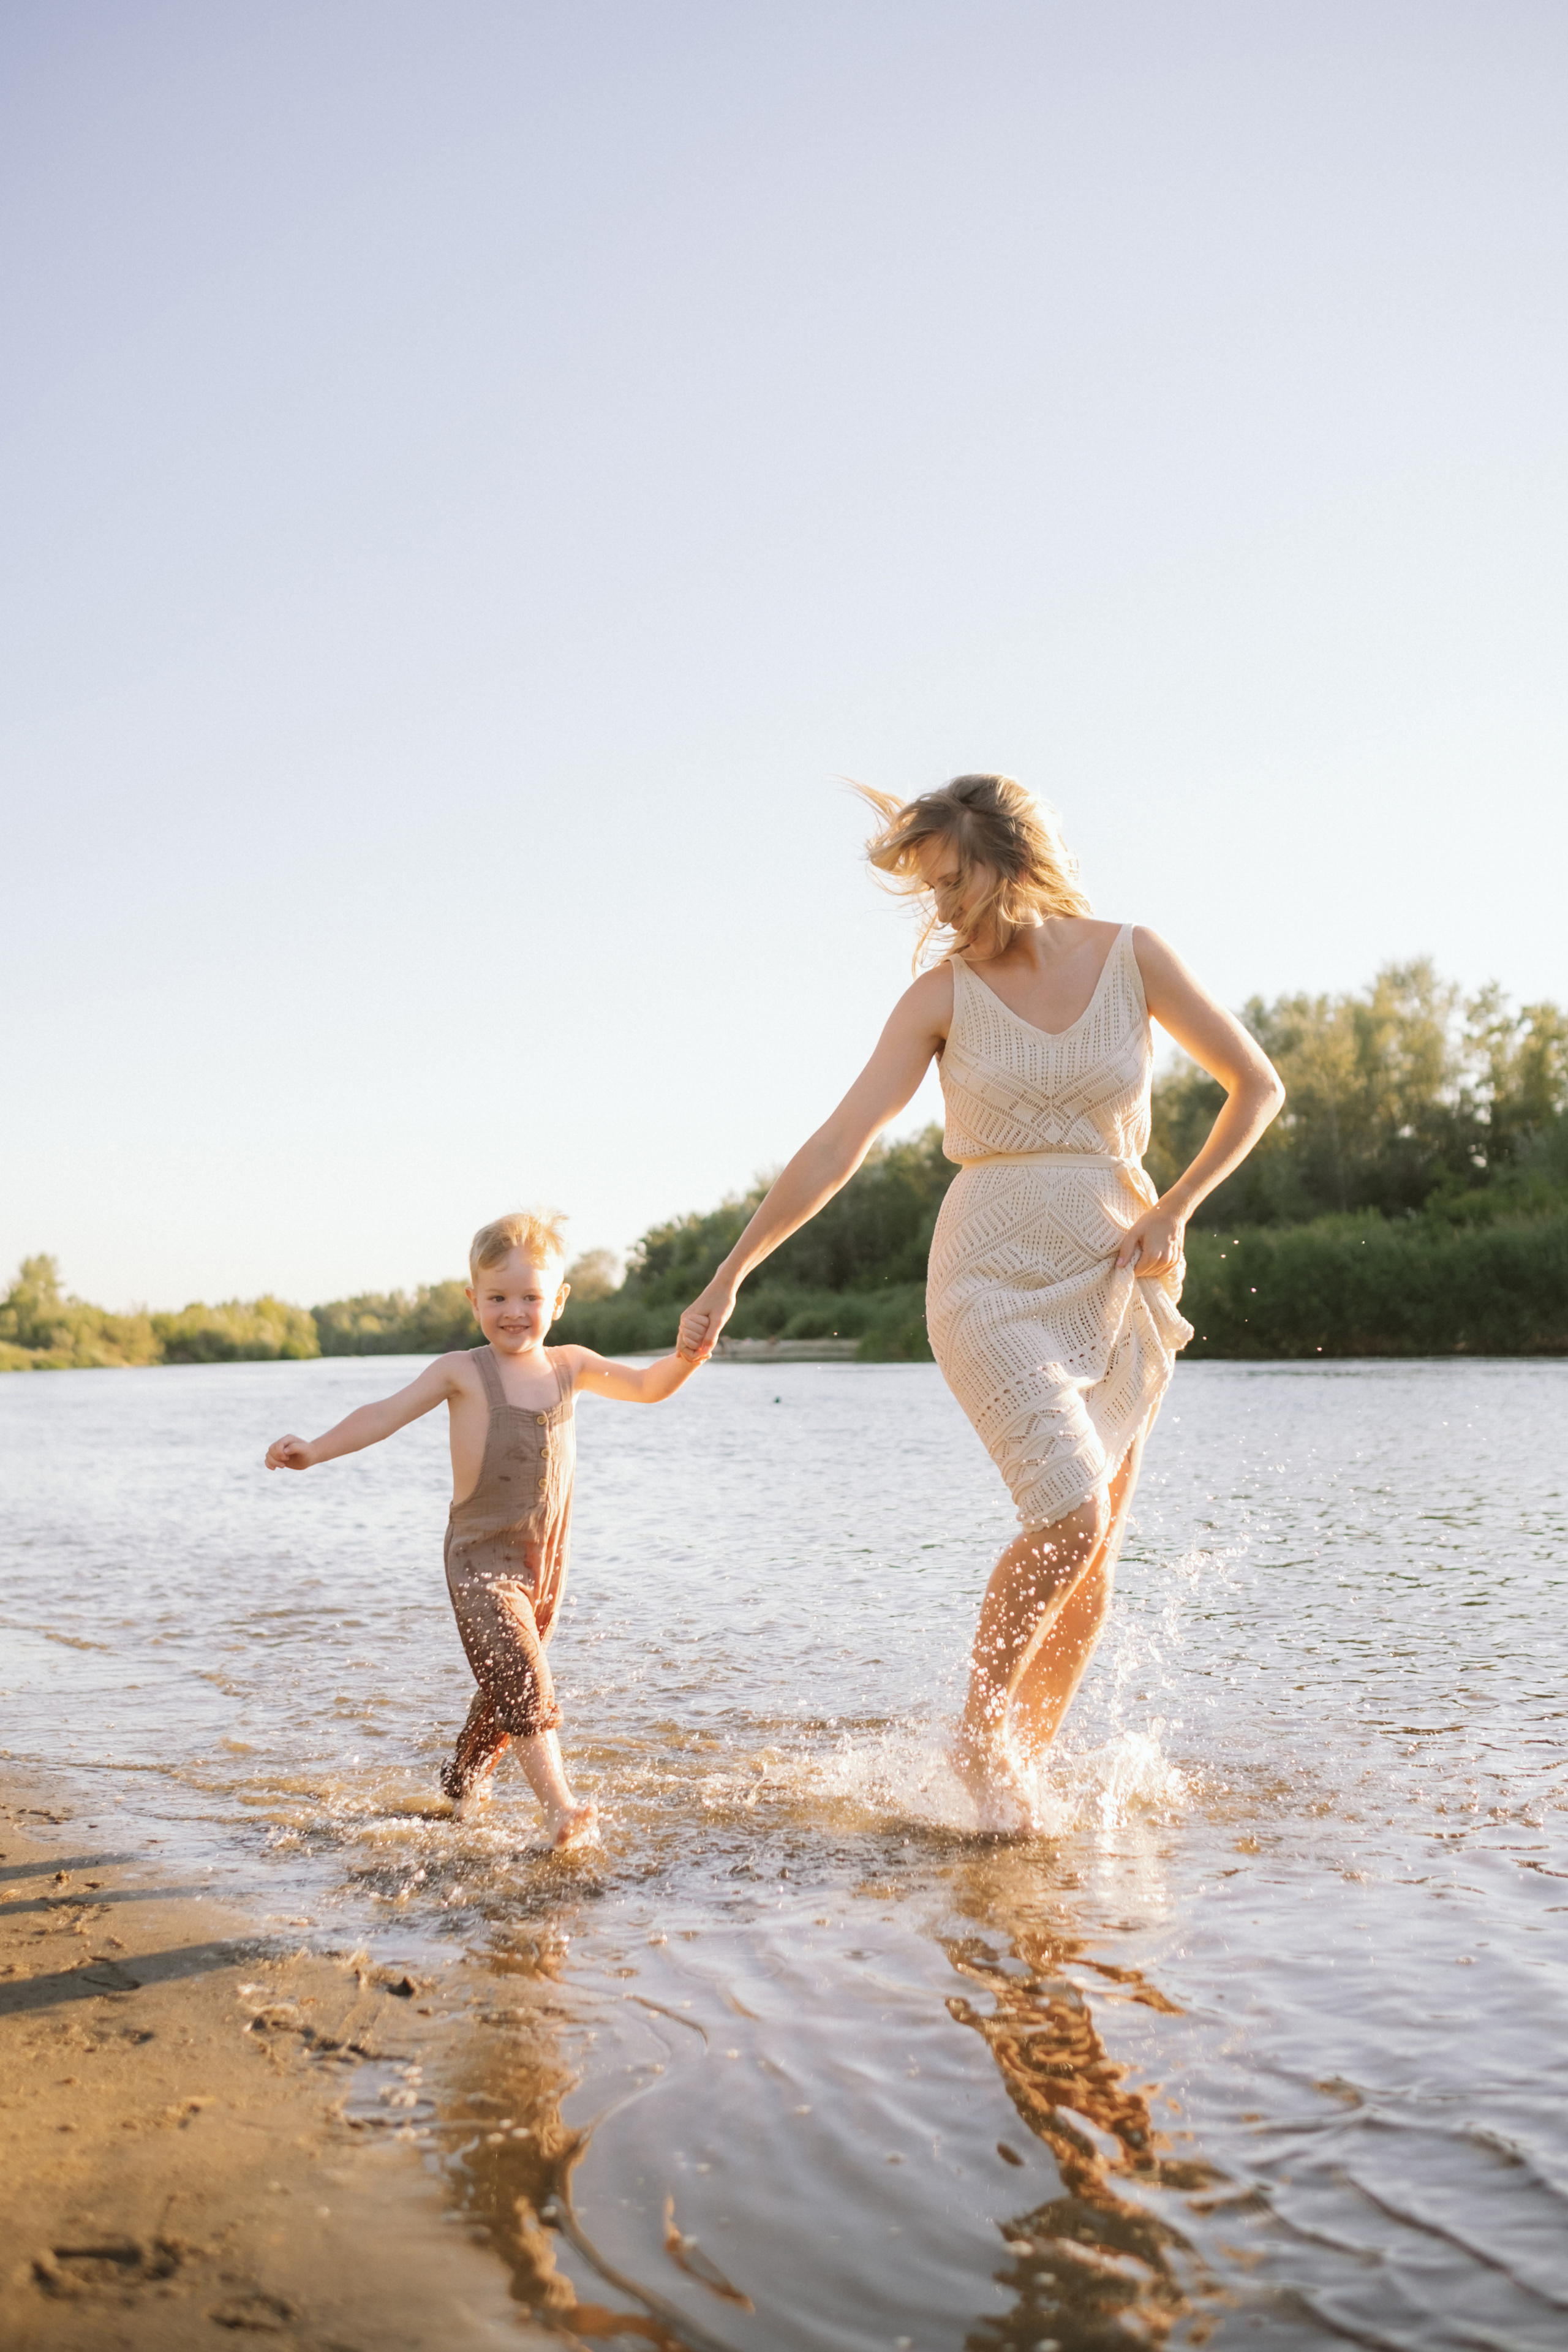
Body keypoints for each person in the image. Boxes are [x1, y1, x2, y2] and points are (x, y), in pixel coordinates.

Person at [679, 775, 1283, 1829]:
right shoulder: (941, 998)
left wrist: (1176, 1207)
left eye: (954, 880)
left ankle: (1019, 1783)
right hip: (988, 1285)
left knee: (1093, 1557)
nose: (942, 908)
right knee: (1069, 1513)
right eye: (928, 890)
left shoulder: (1132, 956)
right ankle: (976, 1740)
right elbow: (837, 1145)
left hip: (1115, 1274)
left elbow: (1256, 1084)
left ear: (1013, 856)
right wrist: (731, 1270)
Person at [265, 1210, 701, 1850]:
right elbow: (382, 1415)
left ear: (559, 1300)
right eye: (497, 1297)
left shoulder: (571, 1367)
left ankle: (458, 1790)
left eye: (530, 1297)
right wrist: (316, 1448)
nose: (514, 1312)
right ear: (473, 1300)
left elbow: (647, 1385)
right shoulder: (460, 1372)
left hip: (543, 1568)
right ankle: (561, 1809)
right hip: (478, 1563)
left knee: (502, 1698)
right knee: (523, 1674)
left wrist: (688, 1355)